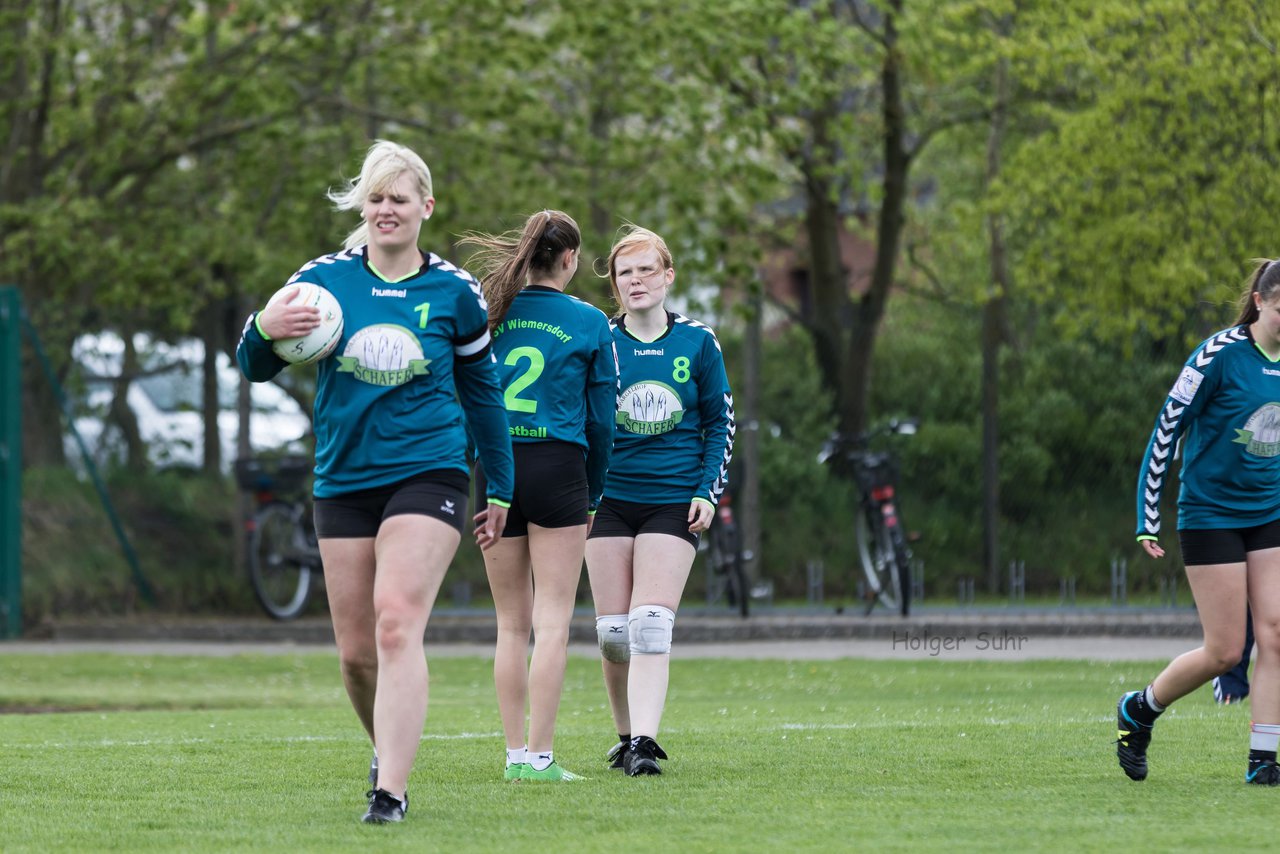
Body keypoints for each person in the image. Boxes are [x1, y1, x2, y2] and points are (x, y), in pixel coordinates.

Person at [236, 140, 514, 823]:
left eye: (399, 198)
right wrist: (263, 329)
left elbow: (483, 395)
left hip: (430, 470)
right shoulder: (323, 281)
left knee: (396, 623)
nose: (386, 210)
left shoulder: (454, 291)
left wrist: (500, 487)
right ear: (364, 205)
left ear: (426, 206)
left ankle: (389, 791)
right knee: (358, 655)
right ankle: (384, 747)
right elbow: (255, 365)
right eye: (376, 198)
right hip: (344, 478)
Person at [459, 211, 618, 782]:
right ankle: (541, 758)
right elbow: (602, 424)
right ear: (570, 259)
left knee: (509, 623)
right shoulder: (589, 321)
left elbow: (463, 399)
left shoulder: (490, 314)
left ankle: (511, 757)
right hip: (559, 469)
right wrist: (594, 492)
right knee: (552, 623)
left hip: (495, 472)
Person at [1121, 258, 1280, 786]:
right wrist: (1148, 515)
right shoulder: (1218, 355)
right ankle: (1140, 708)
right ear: (1260, 301)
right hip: (1210, 513)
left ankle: (1263, 760)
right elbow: (1169, 426)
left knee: (1276, 633)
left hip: (1270, 513)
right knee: (1225, 650)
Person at [584, 225, 735, 776]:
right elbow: (579, 418)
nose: (636, 280)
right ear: (616, 285)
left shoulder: (698, 341)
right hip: (608, 501)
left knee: (650, 622)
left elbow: (721, 422)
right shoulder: (600, 339)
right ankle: (624, 736)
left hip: (673, 498)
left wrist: (706, 491)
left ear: (668, 276)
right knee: (614, 633)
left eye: (647, 269)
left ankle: (646, 744)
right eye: (626, 272)